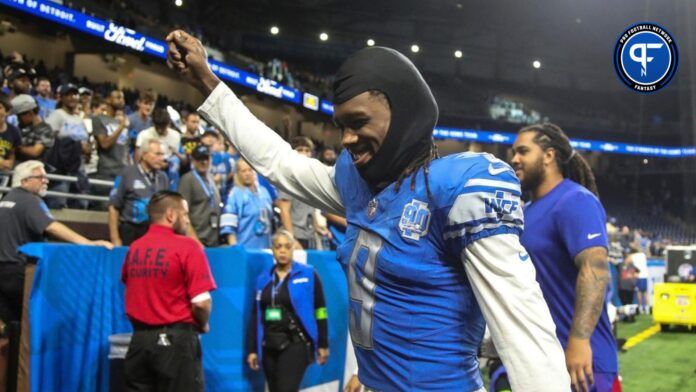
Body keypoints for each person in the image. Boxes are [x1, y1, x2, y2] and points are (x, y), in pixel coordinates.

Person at [168, 30, 569, 391]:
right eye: (341, 124)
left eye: (359, 121)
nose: (347, 139)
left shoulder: (457, 187)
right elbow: (281, 163)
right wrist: (208, 84)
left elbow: (524, 330)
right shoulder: (357, 186)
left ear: (405, 113)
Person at [510, 123, 618, 392]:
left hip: (582, 363)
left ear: (548, 156)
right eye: (513, 152)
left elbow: (595, 269)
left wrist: (579, 341)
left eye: (523, 151)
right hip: (542, 361)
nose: (514, 159)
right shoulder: (528, 211)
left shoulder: (574, 200)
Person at [0, 160, 112, 391]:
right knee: (31, 334)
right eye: (40, 177)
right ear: (25, 181)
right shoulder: (30, 200)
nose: (46, 181)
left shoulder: (6, 200)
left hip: (2, 274)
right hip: (20, 274)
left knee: (10, 334)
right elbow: (51, 227)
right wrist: (88, 243)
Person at [122, 190, 216, 392]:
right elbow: (201, 302)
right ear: (171, 215)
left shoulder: (135, 248)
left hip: (138, 343)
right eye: (185, 214)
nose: (188, 221)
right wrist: (204, 324)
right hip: (176, 342)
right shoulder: (188, 247)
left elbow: (129, 284)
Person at [246, 230, 329, 392]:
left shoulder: (309, 274)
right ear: (273, 250)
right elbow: (256, 316)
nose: (282, 251)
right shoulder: (263, 279)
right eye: (278, 247)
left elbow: (320, 311)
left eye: (287, 246)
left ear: (293, 248)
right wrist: (252, 350)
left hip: (295, 344)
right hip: (269, 345)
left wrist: (323, 343)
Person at [109, 139, 169, 246]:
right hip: (131, 231)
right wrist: (115, 238)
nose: (162, 158)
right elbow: (113, 207)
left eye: (163, 155)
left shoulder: (163, 178)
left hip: (154, 232)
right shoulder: (127, 174)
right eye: (157, 154)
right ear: (144, 155)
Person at [45, 83, 92, 209]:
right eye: (68, 94)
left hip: (79, 168)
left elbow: (86, 142)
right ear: (62, 97)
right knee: (58, 203)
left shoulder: (79, 119)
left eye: (75, 94)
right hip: (62, 169)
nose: (72, 97)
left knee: (81, 204)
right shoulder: (57, 115)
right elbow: (48, 139)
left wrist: (86, 149)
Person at [277, 136, 321, 249]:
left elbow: (311, 208)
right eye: (300, 149)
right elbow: (284, 210)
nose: (304, 153)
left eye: (307, 150)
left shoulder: (310, 178)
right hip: (295, 236)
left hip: (310, 236)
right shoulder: (288, 176)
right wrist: (292, 239)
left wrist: (317, 227)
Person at [220, 158, 273, 248]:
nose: (247, 173)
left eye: (250, 170)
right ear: (238, 174)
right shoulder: (234, 195)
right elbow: (229, 228)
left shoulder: (264, 192)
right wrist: (236, 250)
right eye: (243, 171)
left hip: (265, 248)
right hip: (245, 249)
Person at [178, 145, 221, 247]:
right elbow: (182, 213)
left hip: (213, 239)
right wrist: (195, 242)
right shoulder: (187, 180)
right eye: (200, 159)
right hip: (197, 240)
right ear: (193, 160)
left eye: (206, 158)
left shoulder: (211, 179)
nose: (204, 162)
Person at [93, 89, 130, 180]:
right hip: (107, 172)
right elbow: (104, 144)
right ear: (108, 100)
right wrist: (121, 127)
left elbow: (125, 148)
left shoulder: (123, 121)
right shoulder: (99, 119)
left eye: (123, 98)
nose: (122, 100)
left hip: (123, 171)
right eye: (118, 97)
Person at [11, 94, 54, 163]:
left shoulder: (45, 129)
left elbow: (35, 152)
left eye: (19, 116)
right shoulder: (19, 127)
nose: (18, 119)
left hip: (35, 166)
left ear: (30, 113)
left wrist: (15, 147)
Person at [0, 96, 21, 186]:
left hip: (3, 173)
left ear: (7, 111)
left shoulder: (14, 131)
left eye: (0, 108)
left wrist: (9, 163)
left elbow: (12, 154)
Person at [626, 247, 649, 314]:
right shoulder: (642, 254)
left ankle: (640, 308)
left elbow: (627, 262)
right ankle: (647, 309)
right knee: (645, 292)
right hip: (645, 275)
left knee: (639, 292)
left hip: (639, 276)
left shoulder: (632, 256)